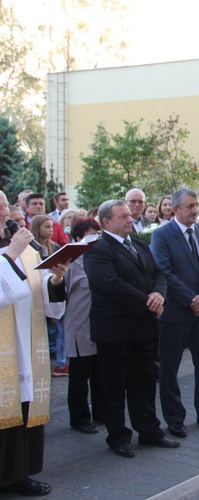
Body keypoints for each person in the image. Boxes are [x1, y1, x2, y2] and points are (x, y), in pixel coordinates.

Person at [84, 200, 179, 458]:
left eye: (129, 215)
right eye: (123, 216)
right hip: (114, 330)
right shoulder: (97, 249)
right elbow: (110, 285)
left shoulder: (137, 243)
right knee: (114, 387)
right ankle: (118, 437)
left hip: (143, 327)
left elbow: (158, 272)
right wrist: (147, 302)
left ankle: (149, 430)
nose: (130, 219)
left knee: (144, 383)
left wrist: (159, 293)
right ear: (106, 222)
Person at [0, 190, 66, 497]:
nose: (4, 210)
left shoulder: (28, 250)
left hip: (28, 343)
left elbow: (43, 298)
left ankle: (19, 474)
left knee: (25, 405)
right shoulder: (16, 250)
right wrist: (10, 255)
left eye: (5, 204)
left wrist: (54, 282)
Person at [150, 189, 199, 438]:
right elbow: (164, 271)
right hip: (175, 312)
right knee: (169, 368)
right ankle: (174, 418)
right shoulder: (162, 235)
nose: (195, 210)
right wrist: (191, 299)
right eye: (190, 206)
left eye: (196, 205)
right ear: (175, 210)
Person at [64, 217, 104, 435]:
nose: (95, 238)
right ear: (78, 237)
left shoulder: (100, 258)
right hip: (79, 324)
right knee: (79, 376)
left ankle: (101, 411)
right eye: (90, 234)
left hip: (99, 324)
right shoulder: (70, 262)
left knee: (100, 372)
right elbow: (59, 294)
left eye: (97, 234)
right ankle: (79, 417)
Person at [30, 215, 67, 378]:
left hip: (52, 291)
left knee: (59, 330)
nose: (50, 230)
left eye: (52, 226)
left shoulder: (55, 247)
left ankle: (60, 362)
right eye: (46, 227)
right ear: (37, 228)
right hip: (36, 294)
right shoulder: (30, 249)